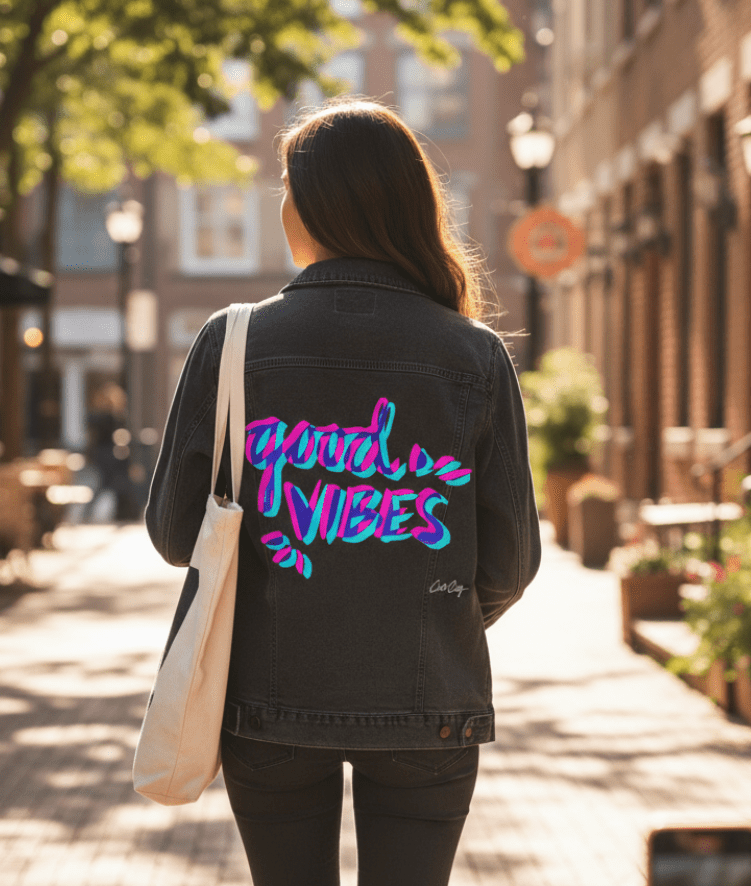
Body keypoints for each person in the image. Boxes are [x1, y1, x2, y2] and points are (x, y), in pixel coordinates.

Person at [145, 98, 542, 886]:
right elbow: (511, 563)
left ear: (317, 205)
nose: (281, 205)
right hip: (431, 706)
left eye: (287, 187)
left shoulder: (234, 343)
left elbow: (172, 532)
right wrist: (422, 610)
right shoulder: (474, 355)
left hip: (268, 699)